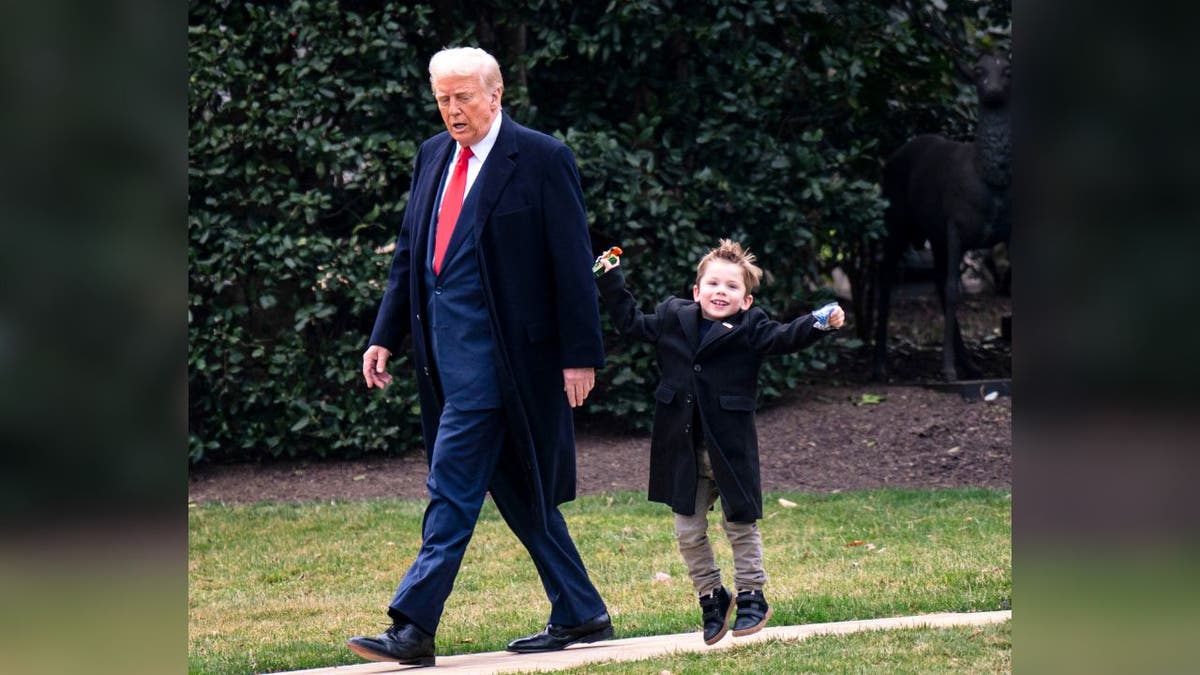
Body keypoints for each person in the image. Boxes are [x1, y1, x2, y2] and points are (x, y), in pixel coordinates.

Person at [347, 46, 613, 666]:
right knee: (520, 491)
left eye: (464, 96)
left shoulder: (543, 158)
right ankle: (582, 611)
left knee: (452, 488)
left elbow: (572, 264)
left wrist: (581, 355)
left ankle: (412, 626)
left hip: (507, 367)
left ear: (496, 95)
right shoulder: (433, 155)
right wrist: (384, 334)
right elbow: (412, 254)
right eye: (443, 98)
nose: (453, 109)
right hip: (445, 359)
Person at [594, 239, 844, 645]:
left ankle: (751, 595)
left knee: (739, 524)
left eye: (731, 287)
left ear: (745, 300)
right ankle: (712, 596)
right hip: (682, 448)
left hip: (727, 447)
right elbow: (632, 324)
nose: (720, 292)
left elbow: (783, 338)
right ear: (697, 291)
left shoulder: (751, 328)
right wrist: (610, 279)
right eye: (713, 284)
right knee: (687, 532)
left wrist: (818, 321)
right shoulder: (674, 317)